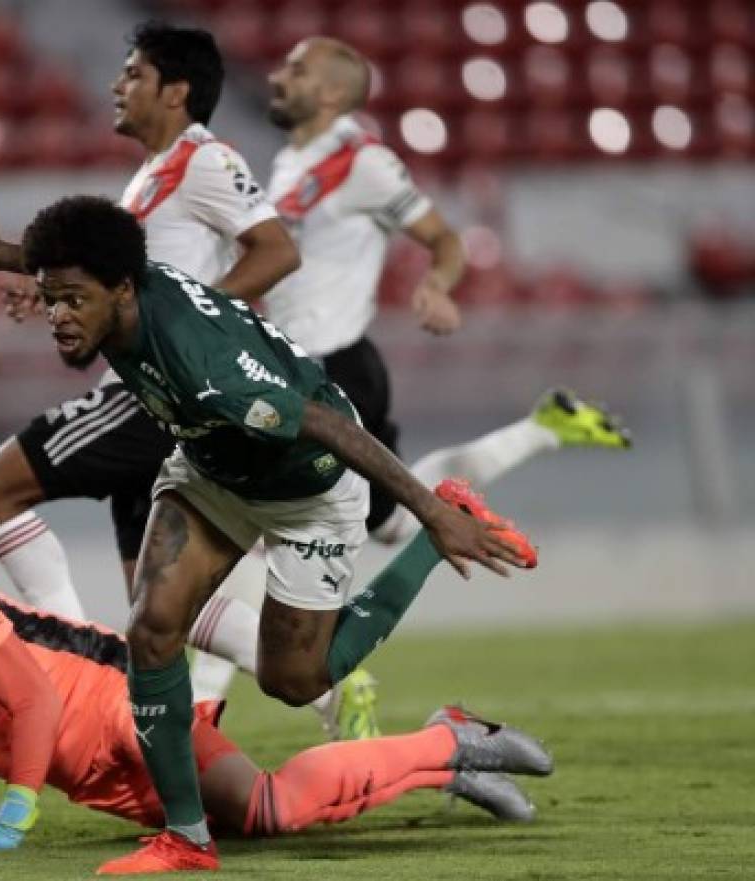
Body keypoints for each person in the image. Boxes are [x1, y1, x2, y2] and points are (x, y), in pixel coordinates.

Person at [21, 195, 541, 873]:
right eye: (48, 298)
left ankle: (445, 527)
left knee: (294, 681)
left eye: (70, 300)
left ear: (121, 288)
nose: (57, 317)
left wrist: (426, 511)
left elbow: (327, 426)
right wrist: (3, 250)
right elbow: (64, 266)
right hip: (211, 471)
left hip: (309, 492)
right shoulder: (123, 276)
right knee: (151, 631)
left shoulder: (206, 371)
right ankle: (187, 837)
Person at [189, 36, 634, 734]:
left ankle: (211, 714)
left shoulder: (361, 161)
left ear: (333, 93)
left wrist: (437, 284)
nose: (278, 75)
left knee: (246, 529)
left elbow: (446, 238)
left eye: (297, 69)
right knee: (391, 521)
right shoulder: (290, 163)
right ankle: (539, 429)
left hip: (334, 373)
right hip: (296, 366)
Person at [0, 519, 552, 857]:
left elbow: (33, 698)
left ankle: (448, 741)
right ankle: (447, 749)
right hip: (86, 777)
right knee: (258, 827)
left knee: (269, 808)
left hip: (120, 702)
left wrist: (15, 808)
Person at [0, 23, 299, 682]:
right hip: (162, 393)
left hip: (154, 393)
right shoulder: (150, 180)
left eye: (134, 74)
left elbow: (278, 249)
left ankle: (74, 666)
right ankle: (325, 682)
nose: (117, 84)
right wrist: (34, 277)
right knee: (165, 605)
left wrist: (190, 329)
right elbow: (117, 276)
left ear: (177, 92)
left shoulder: (206, 160)